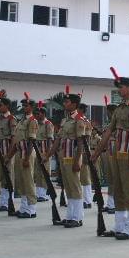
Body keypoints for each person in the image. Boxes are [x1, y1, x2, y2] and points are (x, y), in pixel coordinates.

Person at [91, 69, 129, 240]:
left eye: (122, 87)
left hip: (127, 154)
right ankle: (119, 226)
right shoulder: (119, 108)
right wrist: (96, 153)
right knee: (118, 190)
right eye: (118, 87)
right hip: (116, 154)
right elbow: (108, 132)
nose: (119, 90)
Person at [53, 88, 84, 228]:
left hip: (72, 157)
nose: (64, 104)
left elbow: (80, 142)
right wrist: (48, 155)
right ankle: (70, 216)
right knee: (68, 187)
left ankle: (77, 218)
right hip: (64, 157)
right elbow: (58, 139)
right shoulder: (65, 120)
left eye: (67, 102)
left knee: (75, 187)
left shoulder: (79, 120)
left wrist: (77, 160)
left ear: (74, 104)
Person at [10, 95, 39, 219]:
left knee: (28, 180)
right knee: (21, 181)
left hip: (27, 153)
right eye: (23, 106)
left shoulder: (32, 121)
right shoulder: (22, 121)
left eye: (26, 106)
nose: (24, 108)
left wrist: (27, 158)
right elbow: (17, 140)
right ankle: (23, 207)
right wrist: (9, 156)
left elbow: (31, 141)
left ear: (31, 107)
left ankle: (31, 209)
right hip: (19, 152)